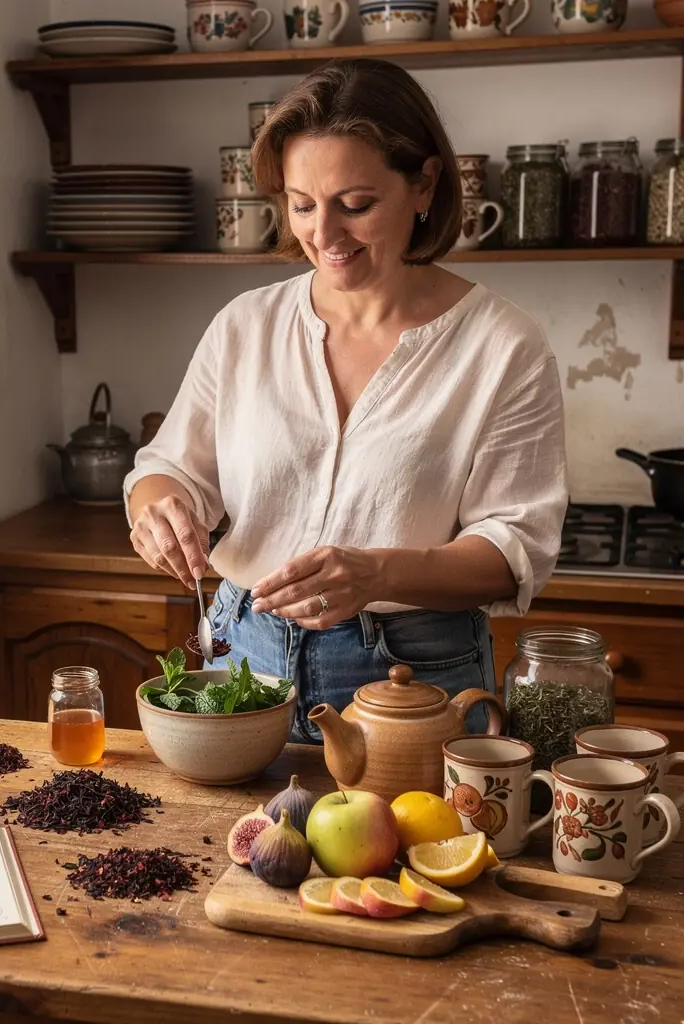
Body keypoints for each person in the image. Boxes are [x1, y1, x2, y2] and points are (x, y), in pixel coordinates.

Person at [123, 59, 568, 743]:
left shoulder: (504, 346)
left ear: (424, 184)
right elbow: (171, 468)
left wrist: (375, 571)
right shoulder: (247, 324)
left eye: (355, 205)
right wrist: (158, 508)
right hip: (245, 656)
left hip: (413, 672)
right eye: (302, 204)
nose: (323, 235)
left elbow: (514, 548)